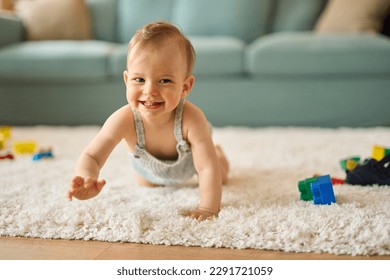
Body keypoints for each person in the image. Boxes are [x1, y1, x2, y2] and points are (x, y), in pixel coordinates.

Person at [67, 21, 229, 221]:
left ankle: (217, 151)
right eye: (140, 80)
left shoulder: (191, 119)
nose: (150, 91)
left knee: (220, 172)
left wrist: (207, 209)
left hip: (191, 166)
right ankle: (156, 176)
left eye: (165, 81)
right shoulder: (124, 119)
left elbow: (206, 169)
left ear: (185, 87)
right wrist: (86, 176)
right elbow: (92, 155)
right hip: (148, 172)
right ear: (127, 80)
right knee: (147, 184)